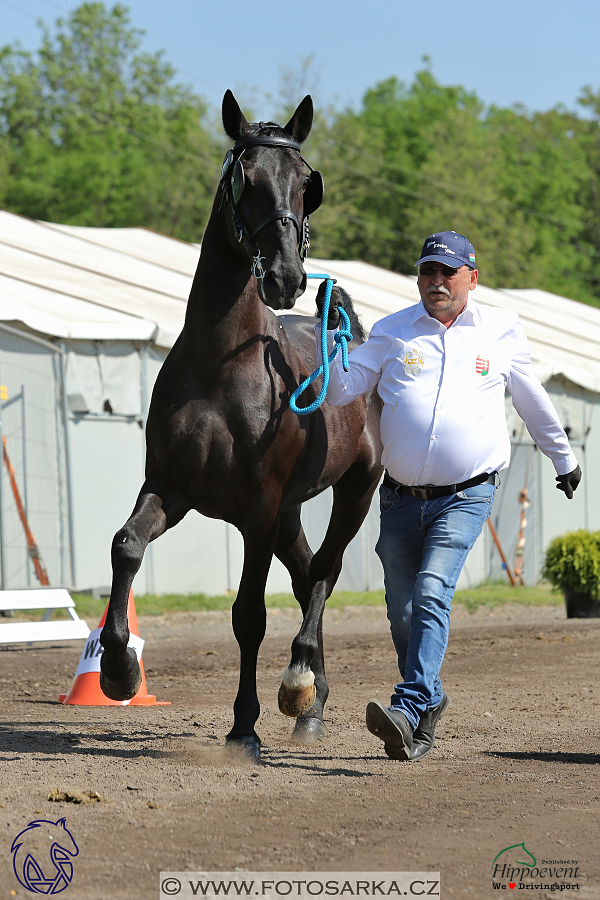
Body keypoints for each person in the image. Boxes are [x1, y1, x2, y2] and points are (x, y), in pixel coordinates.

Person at [314, 231, 581, 763]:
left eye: (448, 272)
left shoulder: (501, 330)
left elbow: (530, 397)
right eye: (428, 272)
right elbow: (342, 389)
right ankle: (428, 702)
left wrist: (562, 456)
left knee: (434, 589)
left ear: (471, 278)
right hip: (399, 497)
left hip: (467, 494)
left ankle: (409, 706)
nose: (436, 282)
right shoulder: (392, 332)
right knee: (402, 611)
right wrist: (331, 341)